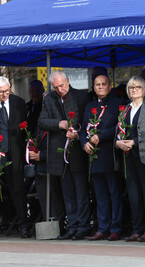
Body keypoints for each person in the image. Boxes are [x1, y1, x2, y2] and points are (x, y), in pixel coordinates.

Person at [38, 70, 91, 240]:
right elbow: (42, 122)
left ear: (67, 81)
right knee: (67, 193)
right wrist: (58, 124)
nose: (60, 89)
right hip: (59, 154)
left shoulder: (81, 97)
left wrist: (78, 133)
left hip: (77, 152)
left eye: (62, 85)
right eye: (56, 87)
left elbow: (87, 121)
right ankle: (73, 226)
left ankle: (83, 226)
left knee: (81, 192)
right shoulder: (49, 99)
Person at [80, 75, 125, 241]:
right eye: (97, 84)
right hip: (93, 156)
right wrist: (84, 143)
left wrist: (102, 135)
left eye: (103, 84)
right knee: (100, 195)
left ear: (110, 86)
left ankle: (116, 228)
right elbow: (83, 127)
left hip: (109, 154)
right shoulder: (90, 106)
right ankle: (102, 228)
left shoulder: (118, 103)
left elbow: (120, 126)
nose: (100, 87)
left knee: (114, 193)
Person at [116, 76, 145, 242]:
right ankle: (137, 228)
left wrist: (135, 141)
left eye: (138, 87)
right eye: (131, 87)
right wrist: (118, 142)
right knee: (134, 195)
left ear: (144, 89)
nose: (134, 90)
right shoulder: (125, 108)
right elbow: (117, 130)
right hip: (128, 157)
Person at [0, 77, 30, 238]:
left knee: (18, 190)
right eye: (1, 92)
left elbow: (26, 126)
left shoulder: (18, 102)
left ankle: (23, 224)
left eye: (7, 91)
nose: (5, 94)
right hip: (0, 153)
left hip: (16, 154)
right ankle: (5, 221)